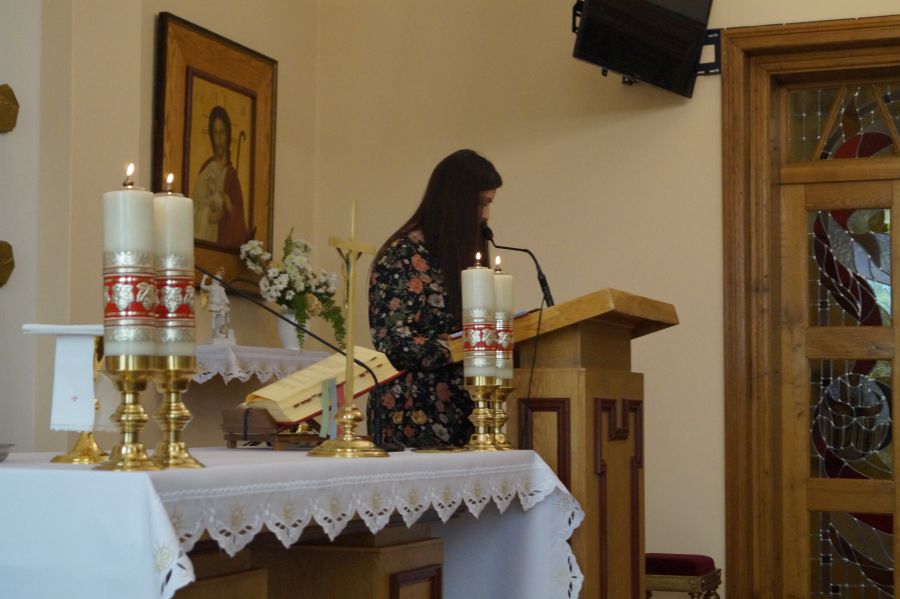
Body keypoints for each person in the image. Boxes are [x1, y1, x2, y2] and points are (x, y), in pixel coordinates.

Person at [367, 149, 502, 449]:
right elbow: (394, 345)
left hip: (461, 406)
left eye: (490, 204)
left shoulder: (457, 254)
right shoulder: (402, 255)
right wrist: (463, 346)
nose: (485, 215)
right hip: (412, 409)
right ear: (456, 201)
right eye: (482, 203)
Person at [192, 106, 249, 247]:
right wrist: (208, 216)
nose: (219, 138)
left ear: (228, 134)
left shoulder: (231, 176)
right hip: (205, 243)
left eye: (222, 132)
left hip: (224, 244)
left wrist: (229, 205)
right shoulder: (206, 169)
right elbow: (193, 208)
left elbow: (240, 221)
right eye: (215, 132)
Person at [200, 268, 231, 339]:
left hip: (221, 305)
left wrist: (227, 301)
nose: (216, 281)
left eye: (218, 280)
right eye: (215, 279)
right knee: (214, 317)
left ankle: (219, 331)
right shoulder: (211, 287)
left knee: (222, 319)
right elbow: (202, 286)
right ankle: (215, 332)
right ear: (213, 280)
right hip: (214, 304)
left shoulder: (221, 289)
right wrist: (204, 278)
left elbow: (224, 297)